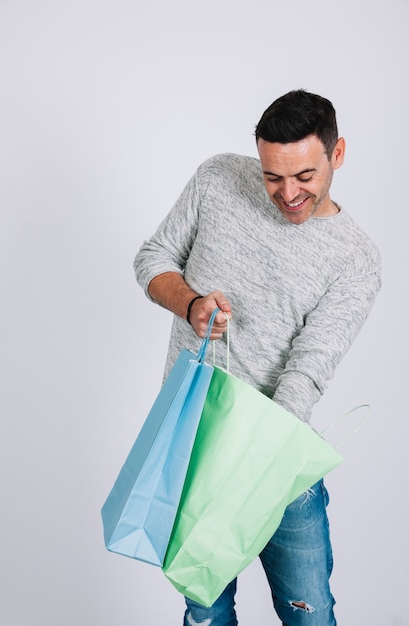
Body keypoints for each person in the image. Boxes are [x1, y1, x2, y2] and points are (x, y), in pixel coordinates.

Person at [133, 90, 382, 626]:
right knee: (206, 610)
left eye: (305, 177)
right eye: (273, 177)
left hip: (275, 465)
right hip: (191, 443)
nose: (287, 193)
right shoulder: (218, 178)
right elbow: (153, 258)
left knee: (309, 615)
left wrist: (246, 470)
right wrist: (192, 304)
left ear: (337, 154)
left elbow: (307, 371)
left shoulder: (355, 259)